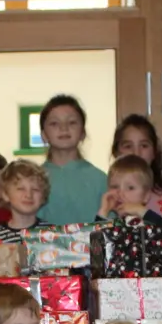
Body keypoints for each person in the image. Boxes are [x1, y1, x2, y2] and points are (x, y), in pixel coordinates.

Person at [35, 94, 108, 226]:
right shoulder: (33, 179)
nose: (64, 128)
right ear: (44, 135)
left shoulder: (101, 180)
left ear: (83, 133)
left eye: (72, 122)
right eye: (54, 123)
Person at [0, 159, 51, 244]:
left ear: (43, 197)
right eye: (21, 189)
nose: (28, 195)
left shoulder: (53, 235)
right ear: (5, 194)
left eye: (35, 189)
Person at [95, 155, 162, 226]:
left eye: (130, 188)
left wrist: (141, 211)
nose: (120, 193)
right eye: (115, 187)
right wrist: (103, 211)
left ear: (146, 195)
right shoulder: (111, 225)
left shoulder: (150, 225)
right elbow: (93, 237)